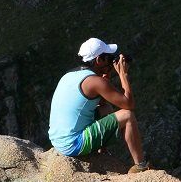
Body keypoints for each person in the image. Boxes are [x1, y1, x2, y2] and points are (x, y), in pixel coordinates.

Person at [48, 37, 150, 173]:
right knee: (127, 116)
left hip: (58, 140)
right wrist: (123, 75)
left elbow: (101, 102)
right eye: (108, 58)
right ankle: (141, 165)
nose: (110, 61)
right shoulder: (95, 81)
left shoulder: (70, 75)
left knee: (106, 109)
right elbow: (129, 104)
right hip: (73, 144)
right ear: (99, 60)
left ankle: (102, 151)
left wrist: (106, 77)